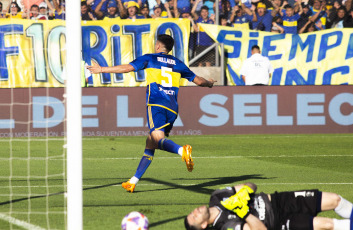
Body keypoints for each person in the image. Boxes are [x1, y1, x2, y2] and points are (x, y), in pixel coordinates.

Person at [87, 34, 216, 193]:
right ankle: (133, 181)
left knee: (157, 138)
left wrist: (101, 69)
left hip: (156, 103)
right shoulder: (178, 63)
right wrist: (210, 83)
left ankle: (182, 151)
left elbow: (128, 68)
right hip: (172, 108)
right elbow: (199, 81)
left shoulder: (150, 58)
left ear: (158, 46)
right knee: (151, 142)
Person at [185, 182, 353, 230]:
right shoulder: (226, 226)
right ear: (203, 225)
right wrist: (244, 213)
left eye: (191, 213)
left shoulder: (217, 196)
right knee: (328, 225)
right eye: (194, 217)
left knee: (335, 200)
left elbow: (251, 184)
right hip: (279, 223)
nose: (194, 212)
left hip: (280, 200)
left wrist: (243, 194)